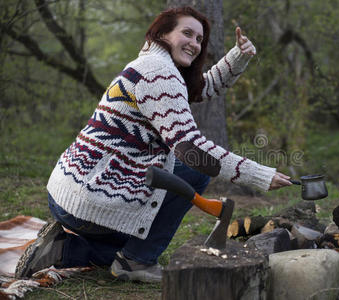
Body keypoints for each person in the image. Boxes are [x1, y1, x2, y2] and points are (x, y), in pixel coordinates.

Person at [15, 6, 292, 283]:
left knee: (133, 235)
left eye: (199, 39)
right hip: (91, 196)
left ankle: (63, 249)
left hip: (69, 192)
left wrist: (238, 56)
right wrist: (260, 174)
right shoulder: (159, 73)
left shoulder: (150, 65)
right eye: (187, 33)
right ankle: (137, 262)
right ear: (162, 33)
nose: (195, 44)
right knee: (192, 171)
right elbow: (191, 150)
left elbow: (199, 88)